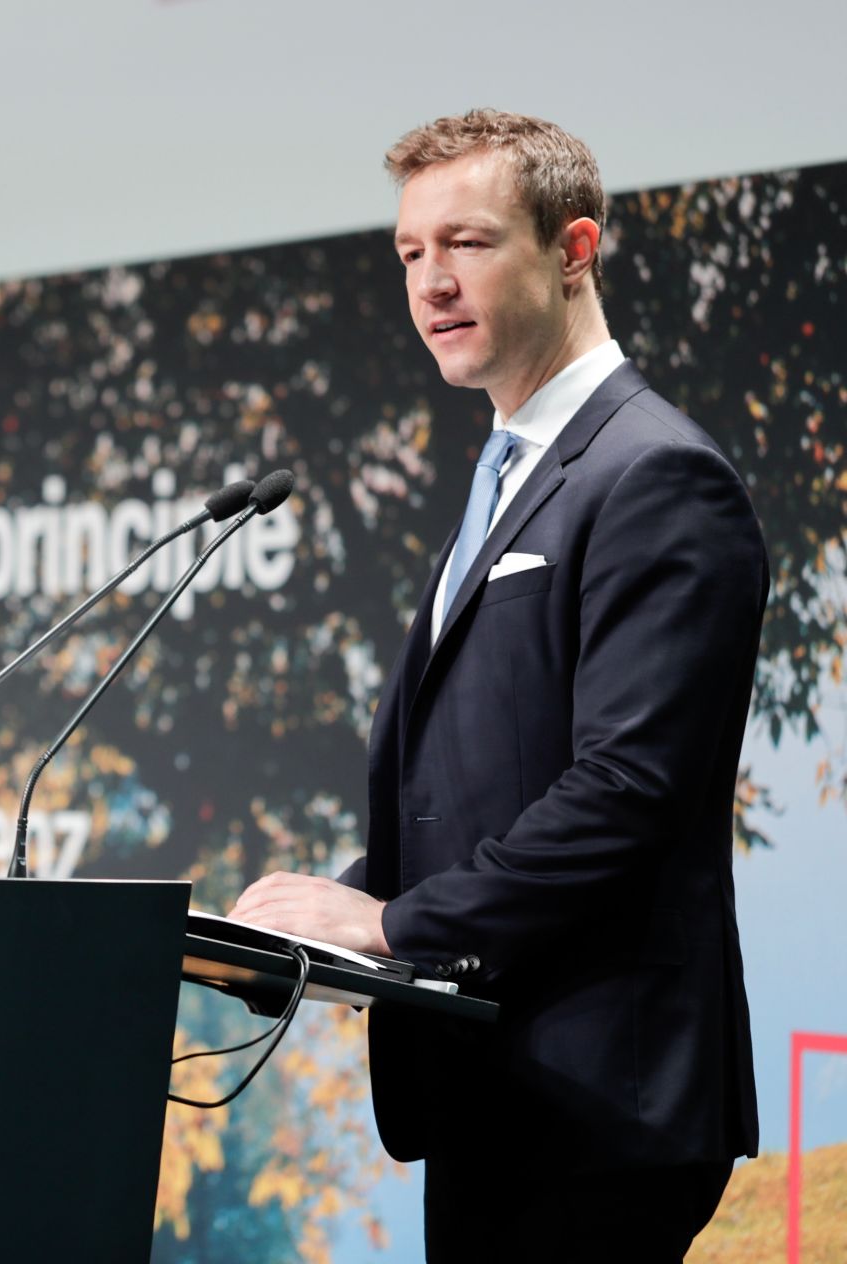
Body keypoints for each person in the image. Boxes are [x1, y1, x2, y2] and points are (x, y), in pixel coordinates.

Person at [229, 109, 766, 1261]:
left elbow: (626, 788)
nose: (430, 283)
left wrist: (387, 922)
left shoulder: (654, 473)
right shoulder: (507, 470)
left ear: (573, 250)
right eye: (410, 253)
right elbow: (487, 787)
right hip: (490, 1079)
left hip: (594, 1098)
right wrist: (318, 931)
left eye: (466, 244)